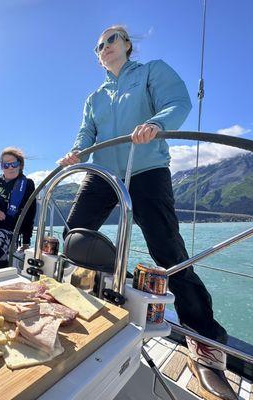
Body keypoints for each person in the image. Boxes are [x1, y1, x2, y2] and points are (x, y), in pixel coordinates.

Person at [59, 26, 236, 400]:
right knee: (73, 236)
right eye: (98, 45)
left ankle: (204, 340)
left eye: (110, 40)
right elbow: (86, 133)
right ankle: (100, 296)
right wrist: (77, 153)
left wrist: (156, 124)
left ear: (127, 45)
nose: (104, 48)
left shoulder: (152, 71)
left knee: (168, 251)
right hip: (103, 173)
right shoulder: (94, 97)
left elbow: (178, 102)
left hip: (147, 169)